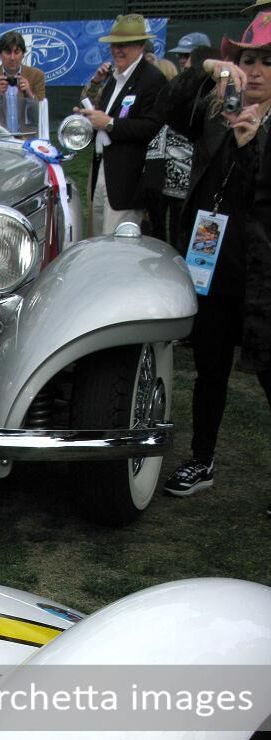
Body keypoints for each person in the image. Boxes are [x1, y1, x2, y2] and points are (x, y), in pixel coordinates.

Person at [160, 11, 271, 512]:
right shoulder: (216, 109)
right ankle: (202, 458)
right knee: (209, 370)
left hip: (261, 277)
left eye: (269, 61)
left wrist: (251, 149)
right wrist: (207, 70)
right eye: (250, 60)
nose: (259, 71)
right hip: (213, 263)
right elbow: (165, 108)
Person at [76, 13, 165, 236]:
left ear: (141, 45)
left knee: (117, 244)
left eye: (125, 45)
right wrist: (90, 118)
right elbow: (105, 118)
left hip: (127, 179)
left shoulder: (152, 79)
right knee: (96, 236)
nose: (118, 50)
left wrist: (110, 123)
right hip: (100, 171)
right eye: (115, 44)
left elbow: (152, 127)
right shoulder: (113, 78)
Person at [0, 30, 45, 130]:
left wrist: (29, 93)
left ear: (23, 54)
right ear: (0, 55)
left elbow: (42, 117)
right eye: (8, 52)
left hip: (26, 138)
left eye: (16, 52)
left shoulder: (37, 76)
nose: (12, 58)